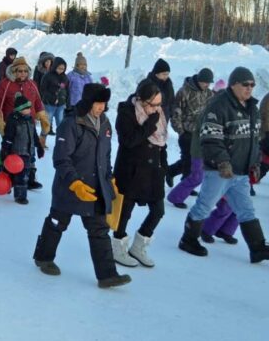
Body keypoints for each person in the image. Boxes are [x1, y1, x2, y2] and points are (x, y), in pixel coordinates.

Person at [32, 83, 131, 288]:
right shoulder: (71, 124)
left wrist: (109, 178)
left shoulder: (105, 124)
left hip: (95, 188)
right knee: (57, 222)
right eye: (98, 102)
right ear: (88, 102)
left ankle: (107, 275)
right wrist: (74, 183)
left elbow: (105, 155)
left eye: (104, 103)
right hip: (69, 187)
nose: (101, 107)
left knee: (99, 229)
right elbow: (61, 159)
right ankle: (43, 257)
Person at [178, 67, 269, 263]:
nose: (249, 88)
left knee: (246, 210)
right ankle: (188, 239)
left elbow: (254, 139)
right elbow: (211, 138)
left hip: (242, 172)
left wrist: (255, 162)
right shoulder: (219, 105)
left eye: (252, 85)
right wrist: (222, 162)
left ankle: (258, 247)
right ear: (234, 84)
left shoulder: (251, 107)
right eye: (245, 84)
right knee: (205, 205)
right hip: (221, 171)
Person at [111, 80, 169, 268]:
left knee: (158, 210)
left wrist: (164, 166)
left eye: (159, 104)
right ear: (142, 101)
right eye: (153, 105)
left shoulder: (158, 114)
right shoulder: (127, 112)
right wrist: (149, 124)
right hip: (132, 170)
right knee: (125, 212)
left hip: (154, 170)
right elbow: (129, 141)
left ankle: (139, 246)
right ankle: (118, 247)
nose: (157, 109)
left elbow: (162, 141)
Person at [0, 57, 50, 189]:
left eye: (25, 71)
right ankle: (6, 178)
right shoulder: (5, 84)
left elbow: (37, 102)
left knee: (30, 151)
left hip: (29, 124)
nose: (22, 73)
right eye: (19, 71)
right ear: (13, 71)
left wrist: (42, 116)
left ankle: (30, 177)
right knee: (10, 151)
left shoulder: (32, 84)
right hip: (11, 125)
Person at [165, 68, 214, 201]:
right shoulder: (184, 92)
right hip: (187, 132)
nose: (207, 85)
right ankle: (184, 187)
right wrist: (180, 131)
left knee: (194, 161)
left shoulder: (209, 94)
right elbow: (176, 112)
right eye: (205, 82)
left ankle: (171, 171)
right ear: (199, 80)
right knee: (188, 161)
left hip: (201, 133)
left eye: (209, 83)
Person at [0, 93, 44, 205]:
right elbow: (8, 137)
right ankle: (14, 191)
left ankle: (20, 192)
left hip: (28, 152)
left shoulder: (30, 120)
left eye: (30, 107)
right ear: (20, 109)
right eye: (27, 108)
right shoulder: (13, 121)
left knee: (24, 174)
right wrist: (5, 150)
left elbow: (34, 135)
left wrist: (39, 147)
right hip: (16, 153)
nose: (30, 109)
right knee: (14, 172)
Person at [39, 56, 68, 135]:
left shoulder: (65, 77)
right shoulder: (47, 76)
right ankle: (41, 143)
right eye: (59, 68)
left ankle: (61, 144)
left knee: (61, 125)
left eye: (63, 69)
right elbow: (43, 90)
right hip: (49, 104)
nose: (61, 70)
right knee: (46, 125)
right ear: (55, 66)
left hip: (61, 105)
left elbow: (66, 90)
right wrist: (51, 98)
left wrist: (66, 101)